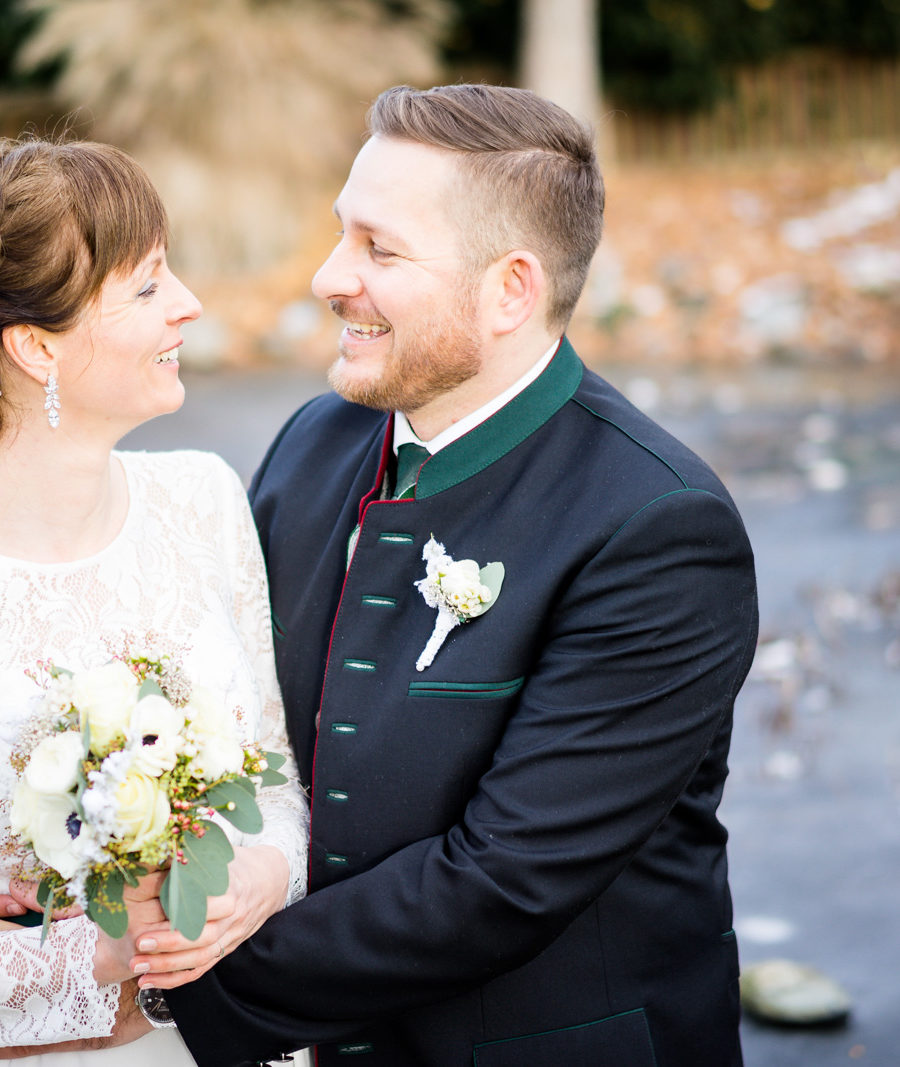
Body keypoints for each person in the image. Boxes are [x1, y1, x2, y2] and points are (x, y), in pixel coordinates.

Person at [149, 83, 755, 1064]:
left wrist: (176, 977)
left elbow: (504, 879)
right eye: (341, 234)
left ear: (510, 288)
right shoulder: (314, 439)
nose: (327, 276)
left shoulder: (659, 525)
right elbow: (233, 726)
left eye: (380, 249)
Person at [0, 136, 309, 1063]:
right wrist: (106, 946)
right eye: (146, 287)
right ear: (35, 345)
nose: (190, 305)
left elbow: (277, 778)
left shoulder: (205, 498)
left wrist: (258, 873)